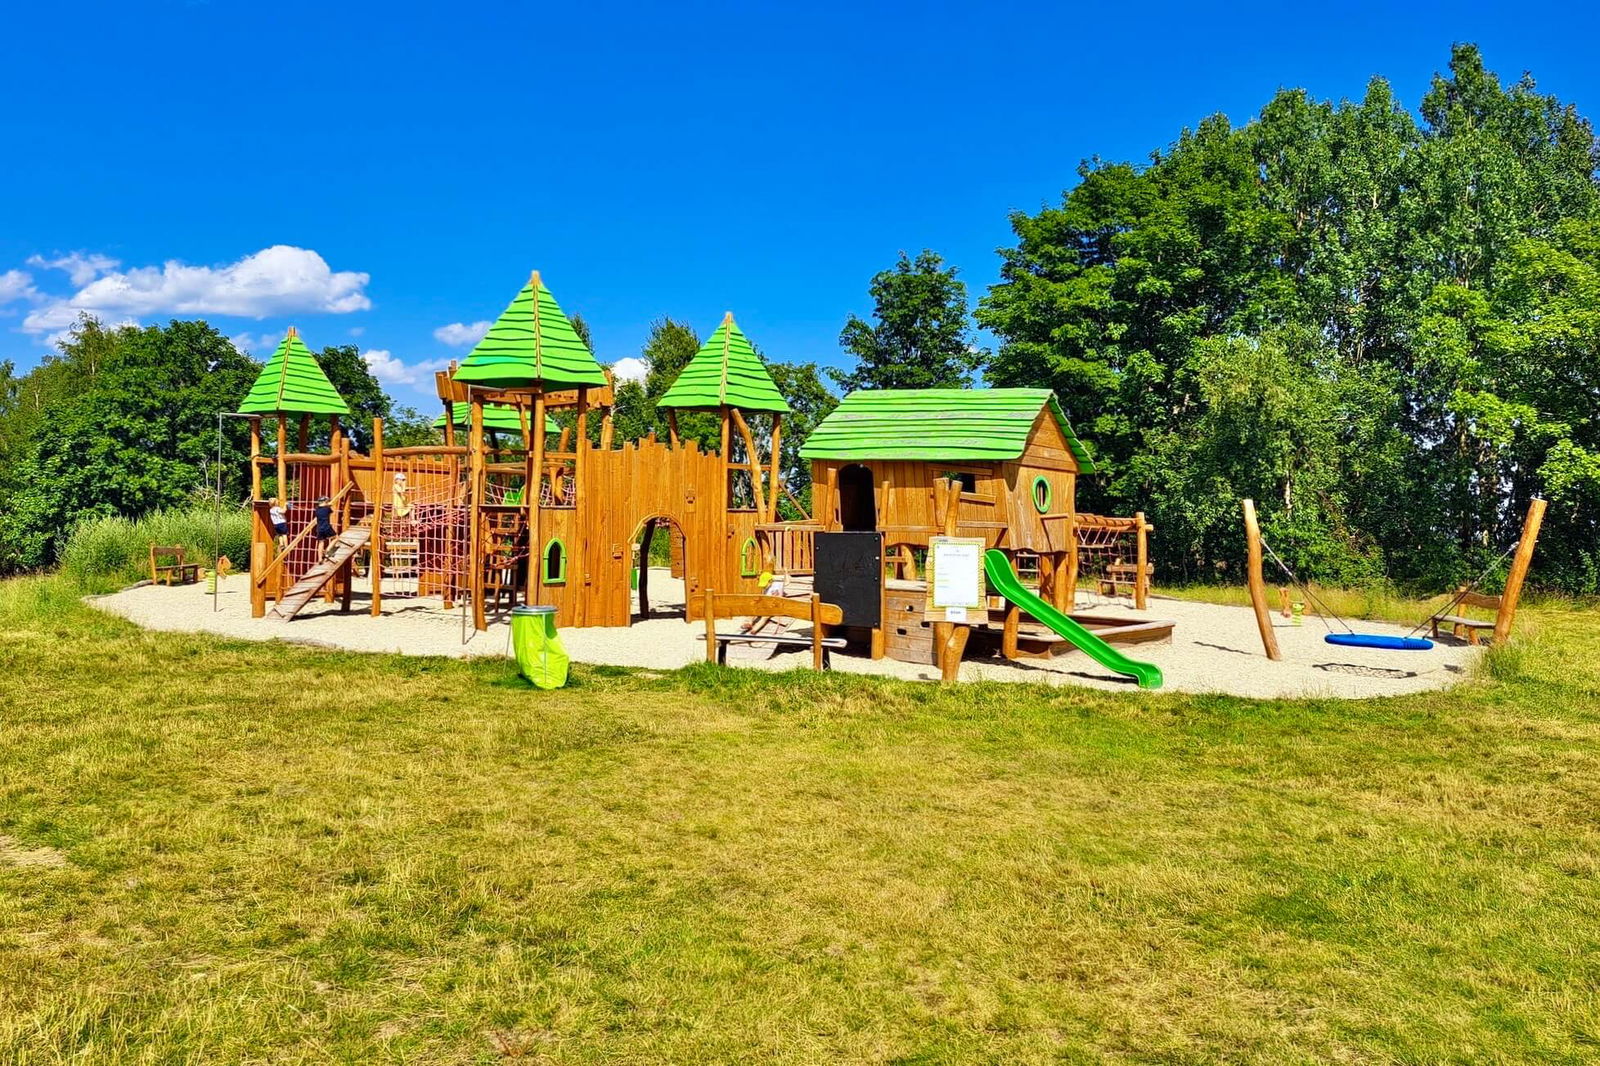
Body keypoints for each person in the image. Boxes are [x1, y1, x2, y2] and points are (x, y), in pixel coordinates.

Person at [313, 495, 338, 561]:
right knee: (336, 538)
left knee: (321, 542)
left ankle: (320, 558)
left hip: (319, 528)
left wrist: (327, 505)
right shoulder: (327, 509)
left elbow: (322, 506)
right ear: (325, 502)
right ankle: (327, 550)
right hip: (326, 527)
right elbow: (331, 511)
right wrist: (329, 505)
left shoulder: (317, 509)